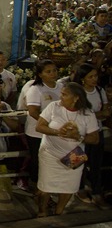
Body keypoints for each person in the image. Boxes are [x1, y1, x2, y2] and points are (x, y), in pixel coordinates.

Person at [35, 82, 99, 217]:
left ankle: (59, 211)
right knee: (44, 187)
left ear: (76, 98)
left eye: (65, 94)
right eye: (61, 93)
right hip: (50, 154)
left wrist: (77, 136)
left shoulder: (88, 114)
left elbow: (95, 138)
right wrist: (59, 132)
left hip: (74, 155)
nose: (61, 96)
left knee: (69, 187)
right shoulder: (54, 106)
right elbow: (40, 127)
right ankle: (42, 212)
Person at [74, 64, 111, 208]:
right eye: (91, 76)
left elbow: (105, 108)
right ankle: (79, 188)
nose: (94, 79)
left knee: (96, 164)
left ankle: (96, 191)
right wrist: (98, 115)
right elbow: (78, 114)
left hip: (97, 131)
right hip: (81, 134)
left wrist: (104, 113)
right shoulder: (79, 92)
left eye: (96, 76)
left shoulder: (100, 90)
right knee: (79, 162)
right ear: (83, 79)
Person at [24, 59, 63, 188]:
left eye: (54, 70)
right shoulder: (36, 89)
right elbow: (33, 111)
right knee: (38, 160)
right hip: (37, 132)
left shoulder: (61, 87)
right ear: (40, 74)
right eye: (48, 71)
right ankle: (35, 185)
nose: (53, 74)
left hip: (55, 132)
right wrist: (47, 125)